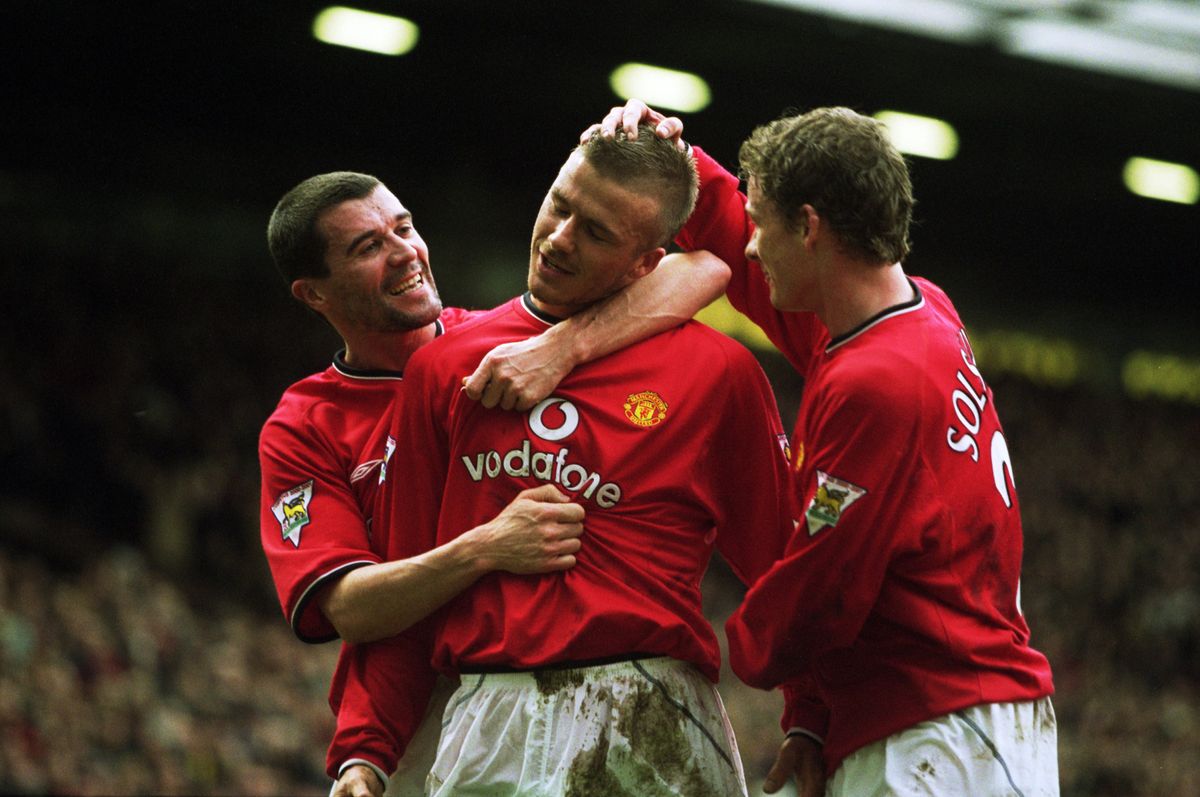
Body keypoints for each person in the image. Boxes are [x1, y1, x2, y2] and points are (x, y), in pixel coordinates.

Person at [599, 100, 1059, 796]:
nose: (749, 246)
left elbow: (822, 590)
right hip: (950, 719)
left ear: (809, 227)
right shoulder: (914, 312)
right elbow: (766, 286)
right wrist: (677, 164)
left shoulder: (879, 382)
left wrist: (733, 643)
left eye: (761, 226)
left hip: (939, 738)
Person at [329, 125, 797, 796]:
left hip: (656, 718)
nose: (558, 237)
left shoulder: (719, 372)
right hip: (491, 720)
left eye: (598, 233)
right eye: (559, 204)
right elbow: (410, 583)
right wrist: (365, 750)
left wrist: (810, 717)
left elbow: (784, 570)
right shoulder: (446, 369)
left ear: (647, 263)